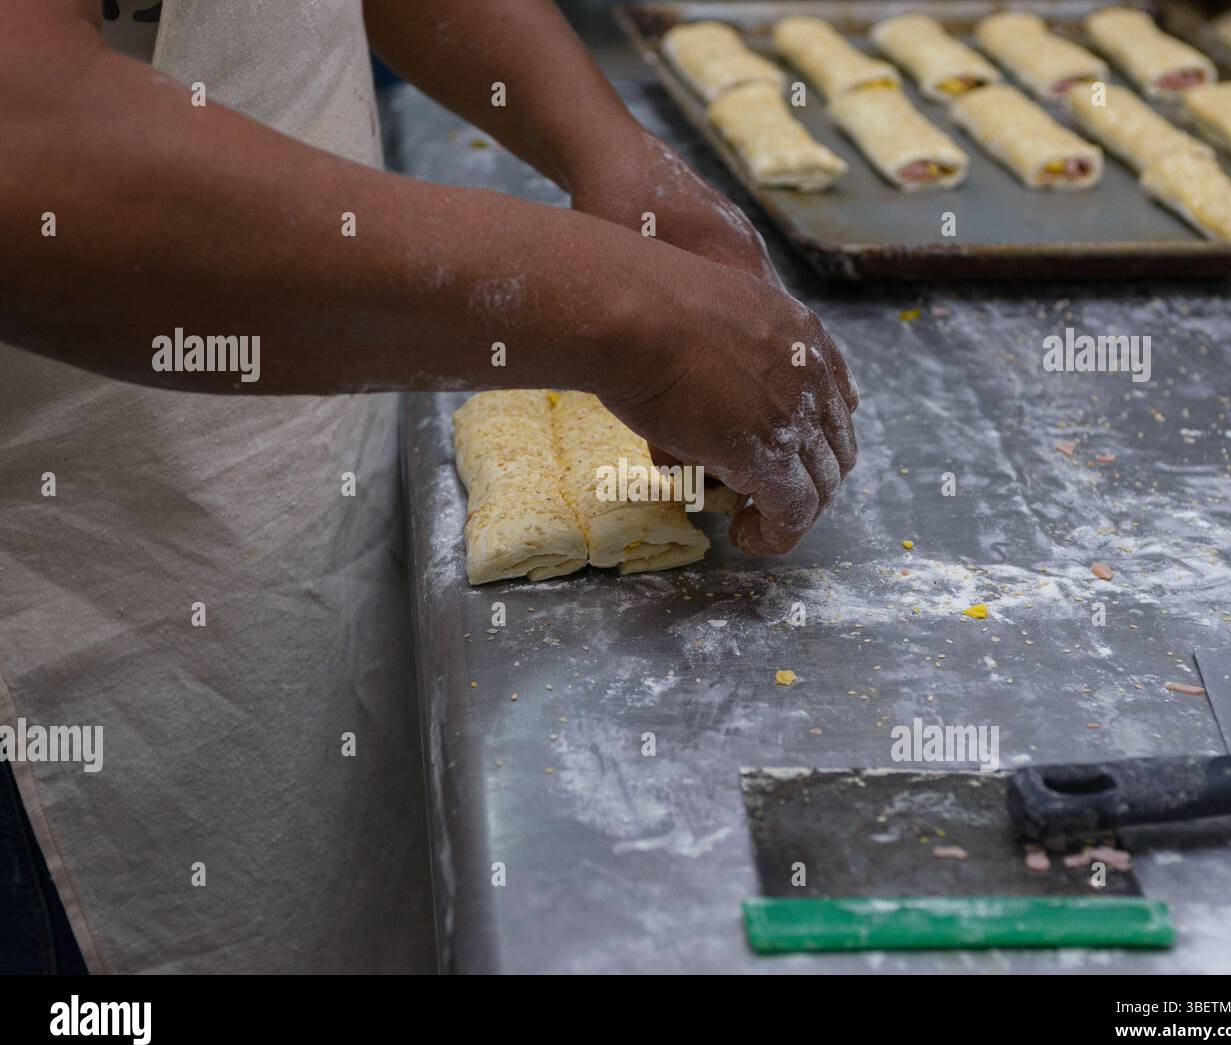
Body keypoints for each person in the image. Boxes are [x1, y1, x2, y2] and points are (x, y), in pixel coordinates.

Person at [0, 0, 858, 973]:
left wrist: (603, 148)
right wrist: (633, 316)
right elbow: (27, 148)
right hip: (62, 666)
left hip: (293, 497)